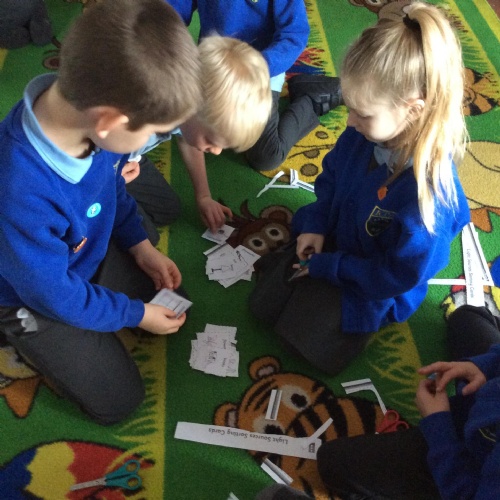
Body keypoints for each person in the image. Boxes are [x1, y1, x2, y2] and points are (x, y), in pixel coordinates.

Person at [0, 0, 201, 425]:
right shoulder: (18, 189)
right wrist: (134, 314)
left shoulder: (84, 118)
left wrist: (141, 246)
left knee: (172, 299)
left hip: (74, 252)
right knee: (119, 401)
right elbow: (52, 294)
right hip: (29, 294)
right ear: (110, 122)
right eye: (151, 133)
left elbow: (110, 187)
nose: (149, 144)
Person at [249, 2, 470, 375]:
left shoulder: (429, 202)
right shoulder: (361, 135)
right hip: (341, 243)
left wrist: (330, 267)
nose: (349, 122)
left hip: (373, 283)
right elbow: (330, 182)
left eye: (363, 113)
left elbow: (395, 276)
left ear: (413, 110)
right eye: (349, 107)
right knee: (262, 305)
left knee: (303, 344)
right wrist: (316, 224)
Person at [256, 305, 500, 499]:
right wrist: (481, 366)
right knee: (468, 317)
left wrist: (438, 423)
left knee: (335, 463)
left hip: (472, 463)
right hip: (484, 407)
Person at [123, 35, 273, 238]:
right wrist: (112, 180)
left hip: (128, 161)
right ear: (191, 106)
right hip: (95, 171)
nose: (216, 152)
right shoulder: (135, 120)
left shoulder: (183, 104)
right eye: (211, 141)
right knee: (145, 237)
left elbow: (187, 137)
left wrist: (203, 196)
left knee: (167, 210)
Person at [167, 0, 343, 172]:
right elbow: (171, 13)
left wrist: (257, 68)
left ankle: (310, 99)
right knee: (204, 126)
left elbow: (295, 34)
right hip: (216, 69)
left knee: (267, 156)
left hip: (261, 72)